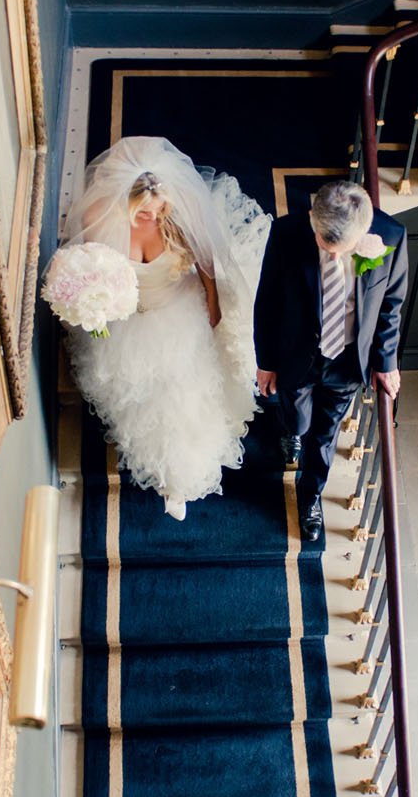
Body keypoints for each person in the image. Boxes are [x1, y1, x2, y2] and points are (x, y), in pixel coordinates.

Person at [63, 136, 269, 520]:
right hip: (130, 319)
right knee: (140, 400)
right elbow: (93, 271)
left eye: (158, 212)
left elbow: (206, 261)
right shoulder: (98, 218)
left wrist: (213, 303)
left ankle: (180, 481)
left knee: (181, 397)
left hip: (179, 310)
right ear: (125, 199)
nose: (152, 219)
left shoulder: (176, 216)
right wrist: (95, 306)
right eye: (144, 213)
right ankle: (159, 461)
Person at [253, 180, 409, 543]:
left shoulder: (392, 235)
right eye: (327, 245)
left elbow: (391, 305)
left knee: (324, 436)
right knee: (296, 416)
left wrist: (385, 361)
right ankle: (291, 429)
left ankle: (310, 497)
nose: (335, 257)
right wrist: (266, 361)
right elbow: (268, 300)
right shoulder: (286, 233)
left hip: (348, 361)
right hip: (297, 355)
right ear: (313, 220)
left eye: (345, 248)